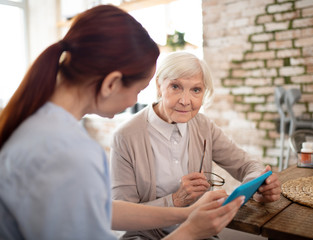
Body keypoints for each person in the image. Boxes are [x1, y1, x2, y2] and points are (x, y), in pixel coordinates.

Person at [0, 5, 245, 240]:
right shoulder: (70, 153)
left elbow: (105, 209)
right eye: (139, 90)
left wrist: (185, 213)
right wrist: (190, 231)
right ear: (111, 84)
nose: (136, 100)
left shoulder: (38, 125)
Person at [110, 51, 282, 239]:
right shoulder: (125, 136)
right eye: (176, 87)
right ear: (159, 85)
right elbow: (123, 217)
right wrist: (175, 200)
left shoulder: (203, 126)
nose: (186, 101)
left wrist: (258, 189)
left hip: (201, 233)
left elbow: (247, 165)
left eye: (196, 90)